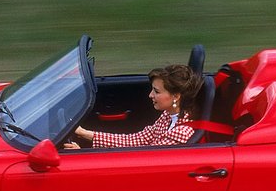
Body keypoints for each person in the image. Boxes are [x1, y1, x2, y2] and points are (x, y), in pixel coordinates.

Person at [65, 64, 203, 149]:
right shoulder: (169, 115)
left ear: (176, 96)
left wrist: (84, 153)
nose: (150, 95)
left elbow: (144, 158)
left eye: (157, 91)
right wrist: (83, 133)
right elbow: (136, 140)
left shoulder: (180, 132)